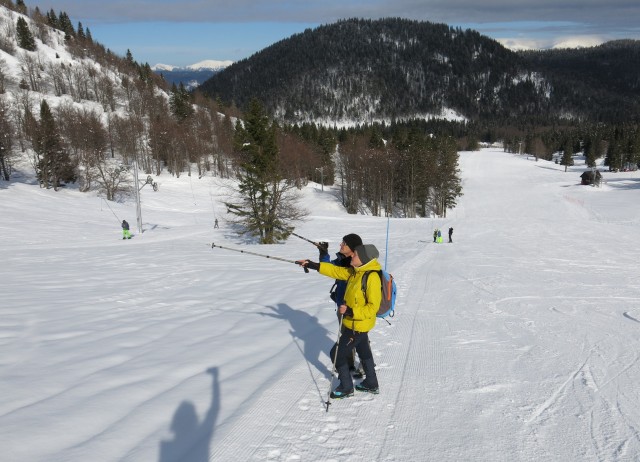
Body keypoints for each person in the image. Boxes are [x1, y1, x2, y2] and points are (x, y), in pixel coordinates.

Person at [298, 243, 381, 399]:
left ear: (363, 259)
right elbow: (335, 270)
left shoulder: (371, 277)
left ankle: (346, 387)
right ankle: (371, 382)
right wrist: (313, 265)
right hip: (356, 323)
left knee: (336, 353)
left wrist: (350, 311)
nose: (351, 256)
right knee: (363, 351)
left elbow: (372, 308)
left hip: (358, 324)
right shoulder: (355, 272)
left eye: (355, 254)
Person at [317, 234, 364, 377]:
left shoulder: (359, 262)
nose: (340, 245)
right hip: (342, 305)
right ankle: (348, 363)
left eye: (344, 243)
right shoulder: (341, 260)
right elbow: (327, 268)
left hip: (356, 308)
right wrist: (323, 252)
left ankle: (364, 364)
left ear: (352, 248)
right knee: (345, 335)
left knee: (359, 336)